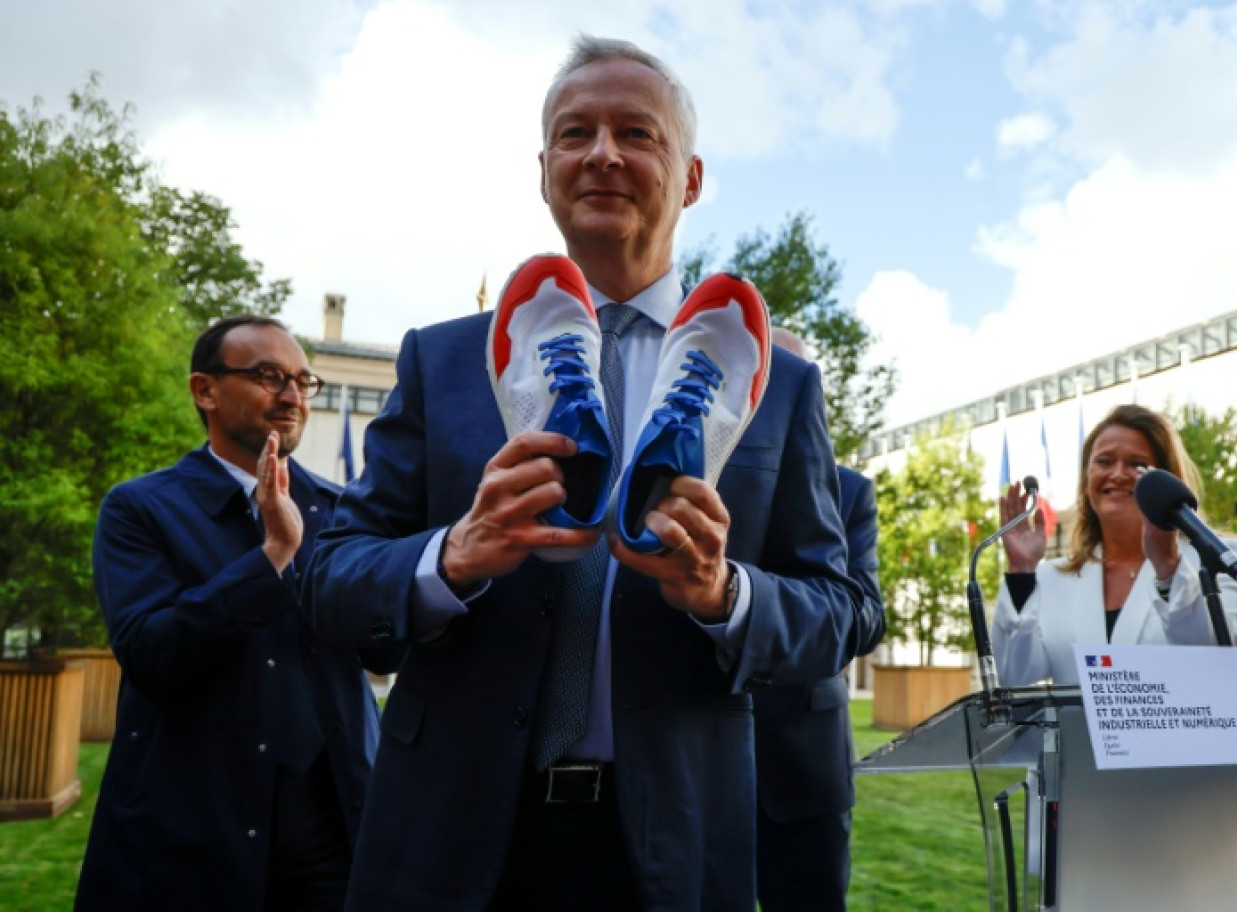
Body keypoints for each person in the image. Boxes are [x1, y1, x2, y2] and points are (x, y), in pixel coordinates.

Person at [307, 36, 860, 911]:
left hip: (675, 832)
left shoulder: (777, 382)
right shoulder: (444, 359)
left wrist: (723, 593)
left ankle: (669, 437)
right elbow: (330, 577)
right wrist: (452, 556)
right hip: (454, 829)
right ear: (544, 170)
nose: (602, 152)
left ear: (690, 178)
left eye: (636, 134)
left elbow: (836, 610)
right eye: (576, 134)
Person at [76, 316, 400, 912]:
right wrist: (273, 557)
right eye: (269, 376)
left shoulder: (339, 509)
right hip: (194, 832)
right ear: (206, 390)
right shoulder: (139, 510)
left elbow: (378, 648)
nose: (293, 396)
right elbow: (154, 652)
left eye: (305, 381)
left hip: (335, 825)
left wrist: (415, 592)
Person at [753, 328, 885, 912]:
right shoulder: (696, 469)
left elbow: (865, 612)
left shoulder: (851, 491)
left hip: (804, 763)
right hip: (690, 753)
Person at [991, 403, 1237, 687]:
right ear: (1087, 478)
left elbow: (1223, 664)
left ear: (1164, 479)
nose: (1117, 474)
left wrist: (1169, 569)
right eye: (1104, 461)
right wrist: (1021, 573)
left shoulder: (1217, 559)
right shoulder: (1051, 578)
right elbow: (1013, 676)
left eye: (1137, 464)